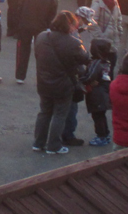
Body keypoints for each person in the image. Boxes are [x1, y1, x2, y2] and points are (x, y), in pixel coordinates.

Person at [33, 11, 91, 155]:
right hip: (63, 85)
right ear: (69, 25)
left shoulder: (41, 37)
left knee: (44, 112)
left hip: (43, 82)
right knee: (59, 114)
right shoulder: (73, 42)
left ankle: (38, 143)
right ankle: (54, 146)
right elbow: (85, 59)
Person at [17, 0, 59, 84]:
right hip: (41, 28)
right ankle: (41, 77)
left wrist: (20, 20)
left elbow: (21, 4)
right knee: (41, 53)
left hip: (25, 24)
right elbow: (52, 15)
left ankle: (20, 76)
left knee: (23, 50)